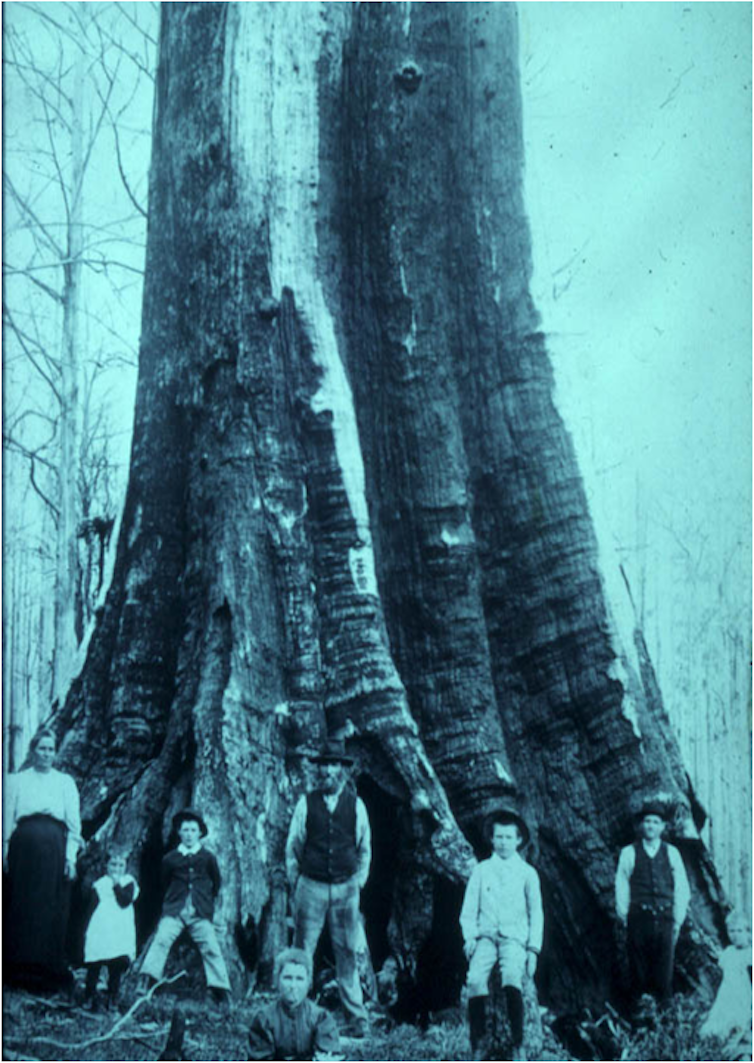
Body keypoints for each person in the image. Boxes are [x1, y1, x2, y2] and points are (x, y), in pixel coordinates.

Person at [285, 738, 371, 1038]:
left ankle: (357, 1017)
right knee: (302, 950)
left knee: (346, 950)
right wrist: (298, 880)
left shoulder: (356, 804)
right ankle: (295, 1013)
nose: (327, 771)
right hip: (311, 886)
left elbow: (364, 849)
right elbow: (294, 845)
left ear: (343, 770)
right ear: (317, 770)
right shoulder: (305, 803)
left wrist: (357, 882)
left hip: (346, 889)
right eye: (323, 765)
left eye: (334, 765)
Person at [459, 808, 543, 1063]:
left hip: (514, 939)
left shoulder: (527, 873)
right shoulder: (482, 870)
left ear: (518, 840)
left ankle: (518, 1044)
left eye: (509, 837)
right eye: (499, 837)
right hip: (486, 937)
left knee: (511, 977)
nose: (504, 842)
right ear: (492, 839)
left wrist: (533, 950)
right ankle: (479, 1042)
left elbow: (536, 913)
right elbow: (468, 909)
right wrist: (470, 936)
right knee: (475, 980)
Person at [3, 729, 81, 992]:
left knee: (50, 907)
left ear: (55, 752)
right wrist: (4, 854)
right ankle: (17, 970)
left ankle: (45, 972)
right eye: (42, 748)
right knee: (21, 906)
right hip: (23, 849)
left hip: (54, 849)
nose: (46, 754)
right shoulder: (16, 781)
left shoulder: (65, 782)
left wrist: (70, 858)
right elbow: (6, 822)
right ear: (33, 750)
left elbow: (73, 826)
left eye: (51, 749)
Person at [138, 809, 231, 1004]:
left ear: (200, 833)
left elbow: (216, 882)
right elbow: (163, 882)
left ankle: (220, 989)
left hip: (199, 912)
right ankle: (147, 980)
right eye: (185, 830)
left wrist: (204, 902)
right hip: (175, 911)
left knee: (211, 946)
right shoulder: (170, 859)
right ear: (179, 833)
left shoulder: (207, 857)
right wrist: (175, 901)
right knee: (161, 939)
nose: (189, 834)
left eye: (193, 830)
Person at [614, 800, 690, 1006]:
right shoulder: (629, 853)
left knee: (664, 971)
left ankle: (664, 1018)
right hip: (638, 918)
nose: (650, 826)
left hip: (665, 919)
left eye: (656, 822)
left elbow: (682, 887)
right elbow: (622, 886)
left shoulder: (672, 853)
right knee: (638, 970)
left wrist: (677, 918)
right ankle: (640, 1018)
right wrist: (625, 915)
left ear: (663, 827)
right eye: (647, 821)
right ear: (640, 825)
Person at [248, 946, 343, 1061]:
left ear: (309, 982)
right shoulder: (264, 1019)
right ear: (277, 980)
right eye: (288, 978)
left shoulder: (321, 1018)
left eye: (299, 979)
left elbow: (328, 1055)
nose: (293, 986)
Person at [82, 847, 140, 1010]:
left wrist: (116, 885)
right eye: (113, 865)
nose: (116, 869)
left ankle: (112, 997)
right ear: (106, 866)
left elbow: (124, 901)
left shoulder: (129, 882)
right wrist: (86, 929)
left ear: (126, 867)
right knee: (95, 961)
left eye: (120, 865)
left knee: (116, 963)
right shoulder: (100, 884)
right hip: (101, 926)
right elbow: (91, 908)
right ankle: (89, 996)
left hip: (119, 927)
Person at [700, 911, 752, 1058]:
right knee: (715, 1031)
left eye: (740, 931)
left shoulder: (750, 955)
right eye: (731, 931)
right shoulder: (728, 952)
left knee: (740, 1028)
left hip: (744, 997)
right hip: (727, 996)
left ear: (748, 932)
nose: (735, 935)